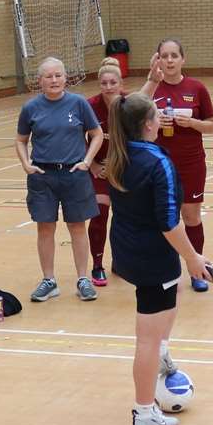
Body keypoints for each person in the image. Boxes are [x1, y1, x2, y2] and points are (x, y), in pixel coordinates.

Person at [103, 93, 213, 425]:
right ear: (149, 124)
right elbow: (169, 222)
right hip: (153, 255)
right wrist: (193, 257)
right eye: (157, 116)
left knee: (174, 289)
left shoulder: (118, 156)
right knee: (146, 340)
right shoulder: (157, 162)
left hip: (126, 251)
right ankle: (145, 411)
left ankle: (162, 353)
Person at [17, 57, 104, 303]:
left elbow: (96, 134)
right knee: (45, 228)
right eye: (48, 76)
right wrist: (26, 164)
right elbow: (21, 139)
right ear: (40, 81)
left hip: (74, 174)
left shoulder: (78, 104)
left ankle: (83, 279)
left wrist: (87, 162)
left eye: (58, 75)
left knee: (77, 226)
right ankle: (49, 280)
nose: (54, 80)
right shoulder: (31, 108)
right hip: (42, 176)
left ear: (66, 78)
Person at [141, 39, 213, 291]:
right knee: (160, 216)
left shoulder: (197, 88)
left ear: (183, 59)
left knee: (191, 215)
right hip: (159, 164)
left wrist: (192, 123)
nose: (170, 60)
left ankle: (197, 270)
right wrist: (154, 123)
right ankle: (165, 270)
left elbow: (212, 125)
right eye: (165, 56)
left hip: (191, 162)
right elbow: (134, 121)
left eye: (174, 55)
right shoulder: (153, 90)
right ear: (158, 60)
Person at [86, 57, 126, 286]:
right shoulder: (89, 106)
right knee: (100, 213)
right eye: (104, 83)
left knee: (123, 217)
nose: (109, 87)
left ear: (120, 83)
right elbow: (78, 138)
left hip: (123, 169)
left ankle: (120, 261)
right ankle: (97, 265)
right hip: (99, 169)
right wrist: (92, 164)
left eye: (113, 82)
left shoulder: (129, 104)